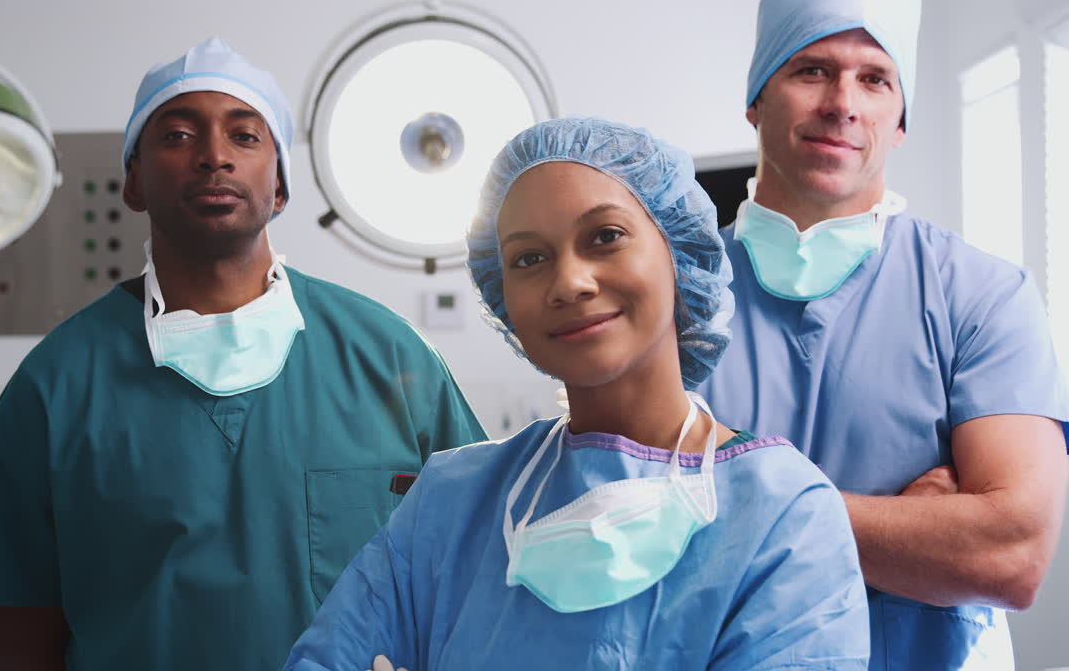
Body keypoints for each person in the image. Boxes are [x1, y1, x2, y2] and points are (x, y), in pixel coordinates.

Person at [0, 37, 486, 670]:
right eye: (176, 135)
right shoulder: (54, 387)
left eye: (246, 136)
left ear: (279, 185)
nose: (214, 157)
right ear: (134, 181)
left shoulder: (389, 356)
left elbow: (474, 576)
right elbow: (19, 640)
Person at [283, 117, 870, 670]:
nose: (568, 282)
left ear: (678, 249)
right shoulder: (451, 503)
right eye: (529, 257)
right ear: (501, 292)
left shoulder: (783, 516)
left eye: (605, 236)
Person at [694, 0, 1069, 670]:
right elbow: (630, 520)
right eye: (811, 69)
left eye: (875, 78)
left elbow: (1012, 554)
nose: (844, 102)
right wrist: (914, 526)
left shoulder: (982, 297)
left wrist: (736, 508)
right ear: (755, 98)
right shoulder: (674, 294)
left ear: (900, 120)